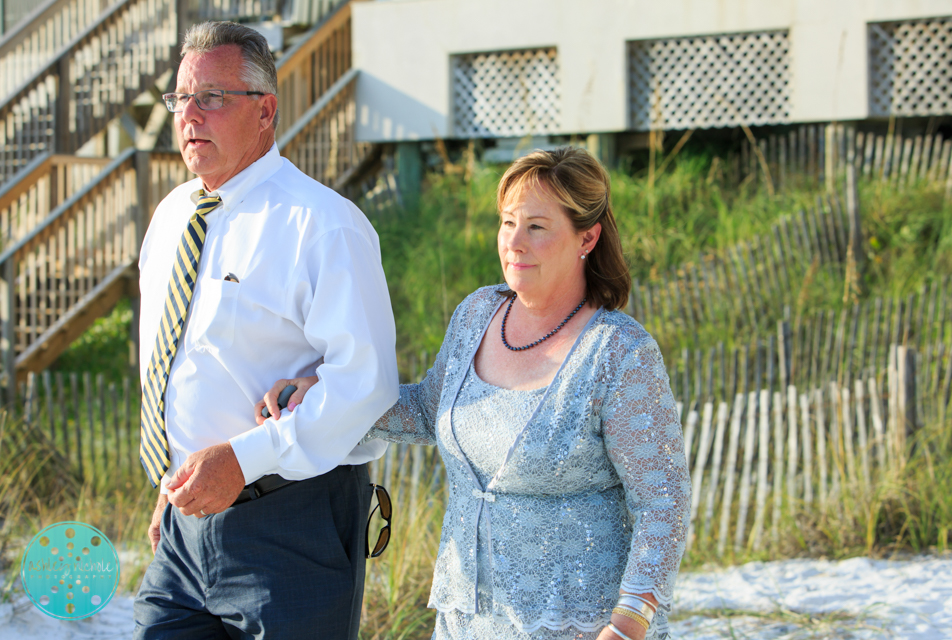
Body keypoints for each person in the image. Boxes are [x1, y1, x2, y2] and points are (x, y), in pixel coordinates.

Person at [259, 147, 691, 640]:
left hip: (580, 627)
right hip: (467, 622)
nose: (514, 243)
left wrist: (629, 623)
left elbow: (663, 500)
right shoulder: (476, 315)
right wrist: (327, 395)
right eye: (508, 223)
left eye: (537, 226)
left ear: (586, 237)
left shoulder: (619, 352)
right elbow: (426, 410)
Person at [132, 21, 398, 640]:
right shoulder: (172, 217)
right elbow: (173, 361)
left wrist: (242, 461)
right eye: (180, 99)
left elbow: (367, 386)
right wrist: (180, 471)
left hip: (290, 524)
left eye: (212, 97)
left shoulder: (324, 224)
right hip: (183, 527)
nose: (189, 114)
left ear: (265, 110)